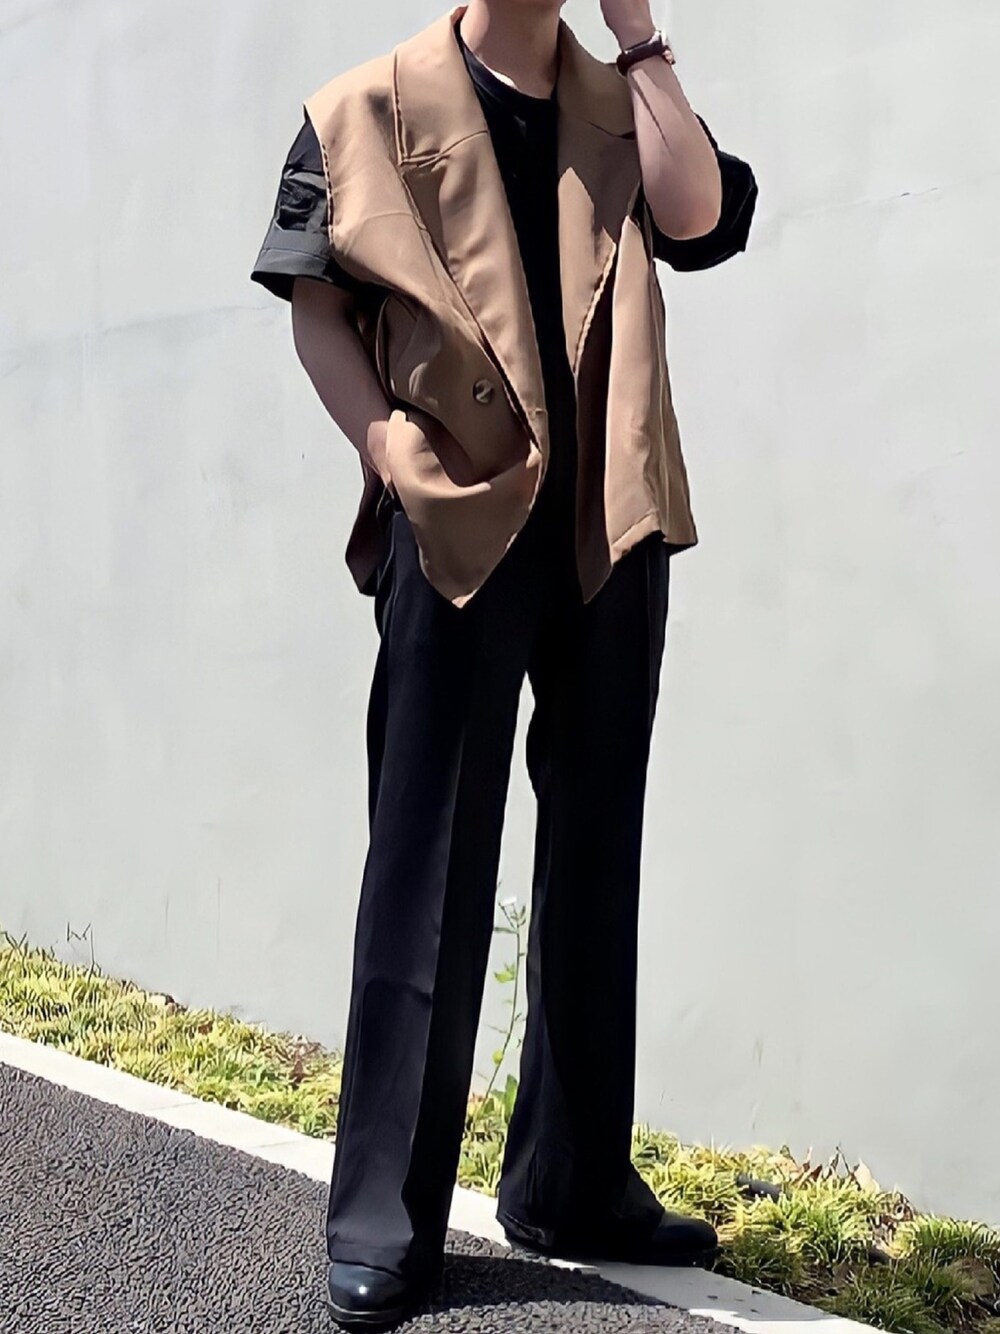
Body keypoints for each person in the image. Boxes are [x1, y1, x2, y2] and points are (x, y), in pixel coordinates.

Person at [251, 2, 757, 1328]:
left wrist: (639, 36)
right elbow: (318, 307)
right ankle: (385, 1212)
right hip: (457, 524)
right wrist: (386, 451)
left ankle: (572, 1181)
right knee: (428, 860)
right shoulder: (364, 109)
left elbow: (700, 219)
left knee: (595, 852)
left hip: (609, 525)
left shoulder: (619, 104)